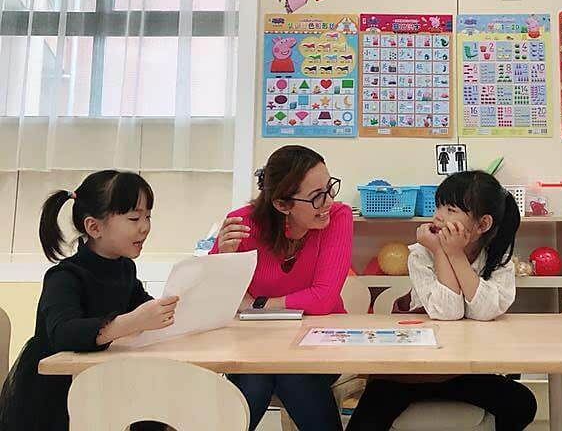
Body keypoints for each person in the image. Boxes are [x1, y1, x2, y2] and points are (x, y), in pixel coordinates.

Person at [347, 171, 536, 431]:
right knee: (366, 420)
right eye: (438, 206)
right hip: (408, 373)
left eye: (450, 209)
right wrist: (440, 251)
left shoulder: (497, 259)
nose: (438, 216)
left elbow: (485, 310)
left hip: (465, 370)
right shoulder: (420, 254)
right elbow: (448, 312)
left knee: (522, 403)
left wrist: (455, 255)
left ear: (482, 225)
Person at [0, 170, 179, 431]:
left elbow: (144, 308)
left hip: (100, 383)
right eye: (133, 218)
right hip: (54, 399)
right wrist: (131, 322)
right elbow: (64, 333)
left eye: (148, 216)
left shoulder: (124, 269)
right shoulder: (64, 276)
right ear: (94, 227)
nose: (145, 227)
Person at [212, 145, 352, 431]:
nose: (328, 202)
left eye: (329, 188)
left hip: (319, 343)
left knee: (294, 373)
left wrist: (257, 304)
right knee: (257, 376)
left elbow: (324, 298)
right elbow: (212, 297)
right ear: (281, 204)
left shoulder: (338, 217)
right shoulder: (242, 224)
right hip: (254, 346)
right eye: (316, 197)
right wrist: (222, 258)